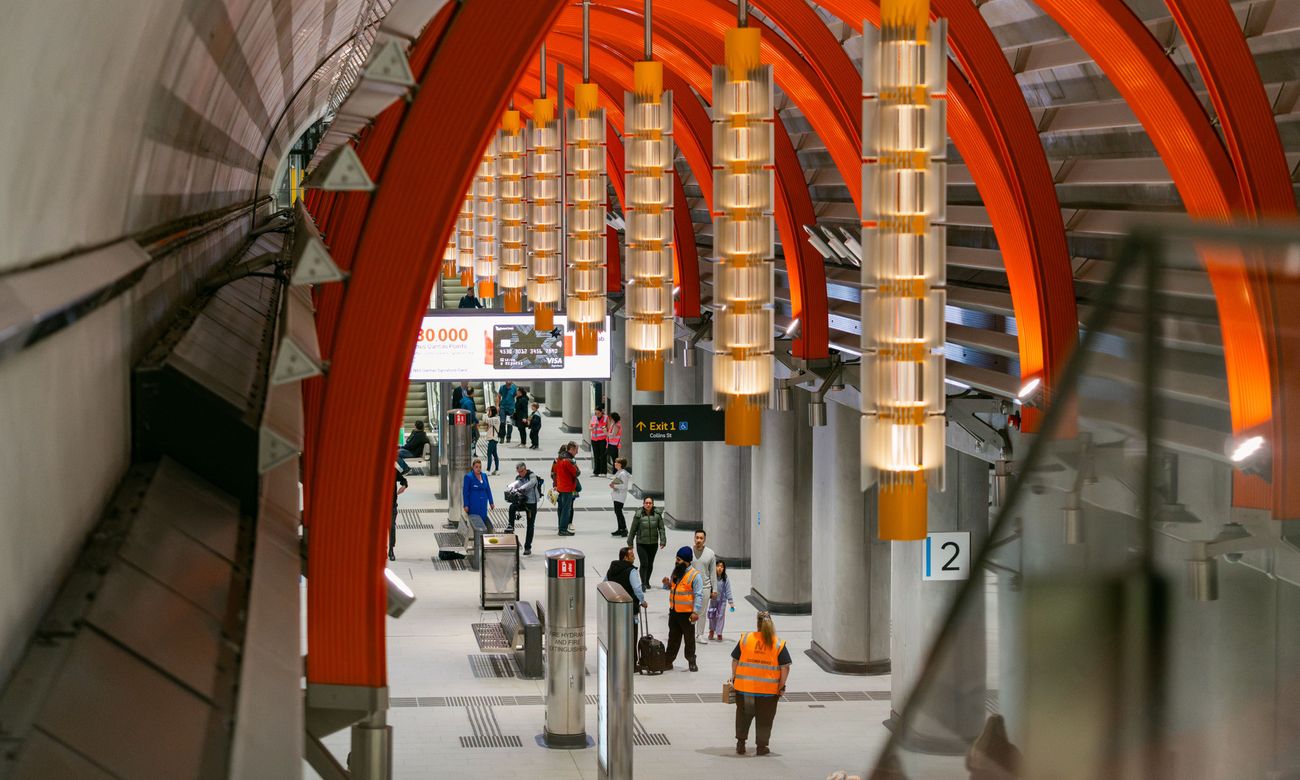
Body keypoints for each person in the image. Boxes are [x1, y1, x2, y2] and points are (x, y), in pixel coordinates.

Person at [730, 612, 792, 756]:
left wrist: (734, 678)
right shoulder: (777, 643)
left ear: (757, 624)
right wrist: (781, 686)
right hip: (768, 693)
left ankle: (741, 743)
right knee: (765, 719)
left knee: (743, 715)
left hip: (745, 689)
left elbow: (735, 660)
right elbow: (785, 667)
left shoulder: (746, 639)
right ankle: (761, 747)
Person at [660, 546, 703, 672]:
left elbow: (699, 595)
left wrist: (696, 612)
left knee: (689, 639)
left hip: (687, 614)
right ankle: (668, 661)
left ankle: (691, 661)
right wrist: (666, 584)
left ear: (686, 561)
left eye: (679, 559)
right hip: (674, 612)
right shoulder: (676, 571)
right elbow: (672, 588)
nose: (676, 562)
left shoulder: (695, 576)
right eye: (676, 559)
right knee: (673, 637)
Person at [627, 496, 667, 592]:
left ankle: (647, 581)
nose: (648, 505)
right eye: (646, 503)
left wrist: (663, 540)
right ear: (643, 504)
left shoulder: (657, 515)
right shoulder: (638, 515)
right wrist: (630, 542)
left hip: (653, 544)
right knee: (644, 563)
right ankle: (643, 583)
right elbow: (633, 529)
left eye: (650, 503)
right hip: (641, 543)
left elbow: (661, 528)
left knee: (650, 564)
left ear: (653, 504)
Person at [503, 461, 543, 555]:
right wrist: (512, 489)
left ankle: (527, 547)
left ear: (525, 469)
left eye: (521, 471)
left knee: (530, 525)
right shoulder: (519, 477)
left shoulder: (531, 475)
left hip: (531, 504)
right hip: (522, 501)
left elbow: (532, 483)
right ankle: (510, 526)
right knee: (512, 507)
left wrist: (522, 488)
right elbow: (516, 484)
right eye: (518, 472)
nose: (520, 474)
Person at [690, 530, 718, 642]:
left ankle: (699, 634)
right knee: (691, 611)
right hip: (690, 587)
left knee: (702, 612)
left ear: (704, 540)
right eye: (697, 537)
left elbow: (713, 573)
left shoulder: (710, 554)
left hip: (705, 587)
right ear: (694, 538)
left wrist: (714, 589)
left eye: (701, 538)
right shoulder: (689, 552)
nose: (698, 540)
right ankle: (690, 633)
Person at [552, 442, 580, 536]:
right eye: (576, 450)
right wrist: (575, 466)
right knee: (566, 509)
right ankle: (563, 529)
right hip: (567, 487)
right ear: (571, 449)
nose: (577, 452)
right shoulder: (568, 461)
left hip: (560, 486)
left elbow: (554, 472)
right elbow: (576, 472)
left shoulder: (558, 459)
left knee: (561, 508)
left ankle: (561, 526)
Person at [461, 458, 495, 526]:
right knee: (475, 521)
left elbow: (488, 489)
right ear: (473, 467)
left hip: (483, 504)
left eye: (480, 467)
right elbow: (465, 492)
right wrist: (466, 505)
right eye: (476, 467)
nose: (478, 469)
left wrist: (491, 502)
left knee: (483, 519)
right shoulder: (468, 477)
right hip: (474, 503)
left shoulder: (484, 476)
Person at [708, 560, 735, 641]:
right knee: (712, 616)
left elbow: (728, 591)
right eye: (718, 566)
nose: (720, 568)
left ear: (724, 569)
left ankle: (719, 633)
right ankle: (712, 630)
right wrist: (709, 595)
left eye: (722, 567)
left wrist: (731, 602)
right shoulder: (712, 577)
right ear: (715, 567)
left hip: (722, 602)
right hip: (713, 600)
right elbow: (708, 587)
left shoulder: (725, 579)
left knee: (720, 617)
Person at [608, 458, 631, 537]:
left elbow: (624, 486)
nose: (615, 464)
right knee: (617, 512)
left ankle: (624, 529)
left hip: (620, 496)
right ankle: (620, 529)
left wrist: (614, 485)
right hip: (617, 495)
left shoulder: (623, 474)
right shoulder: (619, 472)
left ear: (620, 464)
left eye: (616, 462)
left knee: (619, 512)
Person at [390, 466, 408, 561]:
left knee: (391, 526)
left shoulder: (392, 470)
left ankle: (391, 549)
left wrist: (404, 486)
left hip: (391, 503)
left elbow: (403, 480)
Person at [588, 405, 609, 476]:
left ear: (601, 412)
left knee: (603, 455)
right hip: (594, 439)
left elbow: (608, 428)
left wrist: (605, 430)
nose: (597, 414)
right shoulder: (593, 418)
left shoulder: (606, 418)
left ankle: (603, 472)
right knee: (596, 455)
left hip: (603, 439)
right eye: (596, 413)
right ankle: (596, 471)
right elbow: (589, 427)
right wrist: (593, 427)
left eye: (598, 413)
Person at [482, 406, 500, 474]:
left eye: (490, 411)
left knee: (489, 454)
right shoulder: (494, 419)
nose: (488, 412)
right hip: (492, 438)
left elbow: (485, 419)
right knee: (494, 454)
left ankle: (488, 470)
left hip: (493, 438)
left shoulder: (495, 419)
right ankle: (497, 470)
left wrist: (486, 413)